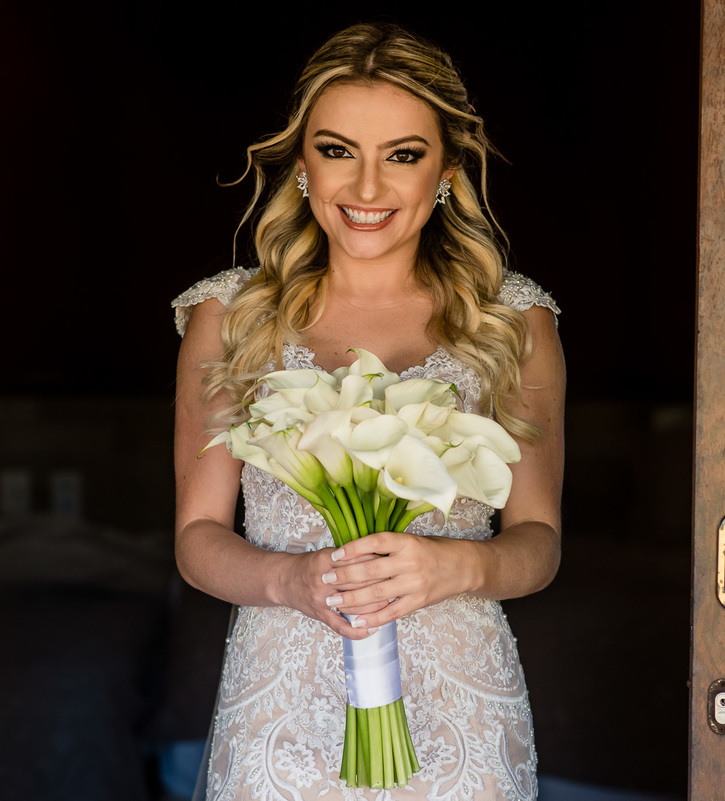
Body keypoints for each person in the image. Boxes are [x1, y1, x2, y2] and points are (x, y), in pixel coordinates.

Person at [172, 22, 564, 801]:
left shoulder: (511, 323)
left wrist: (461, 564)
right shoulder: (234, 317)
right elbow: (197, 538)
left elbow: (540, 541)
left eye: (404, 155)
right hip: (281, 711)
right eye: (338, 149)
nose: (367, 188)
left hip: (459, 715)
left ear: (448, 167)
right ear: (303, 165)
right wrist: (293, 580)